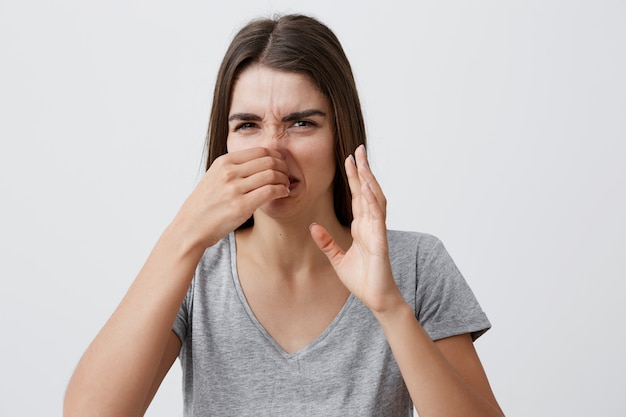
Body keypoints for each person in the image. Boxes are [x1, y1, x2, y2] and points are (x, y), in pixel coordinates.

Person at [64, 13, 504, 417]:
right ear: (225, 141)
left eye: (301, 123)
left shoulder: (414, 265)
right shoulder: (196, 269)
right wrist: (185, 234)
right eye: (247, 125)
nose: (272, 148)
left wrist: (389, 308)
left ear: (341, 136)